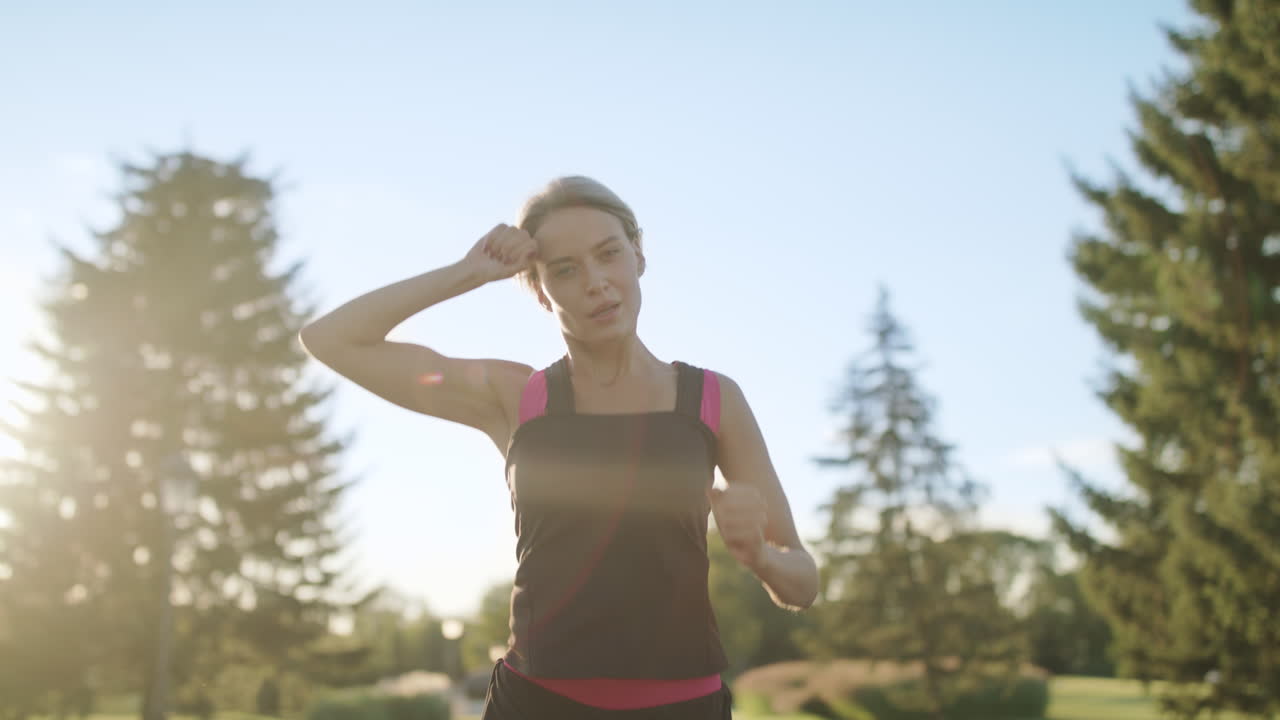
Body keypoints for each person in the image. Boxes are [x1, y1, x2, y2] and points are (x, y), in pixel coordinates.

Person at [299, 176, 818, 718]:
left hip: (682, 707)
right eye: (565, 270)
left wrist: (760, 557)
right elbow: (330, 339)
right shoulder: (517, 398)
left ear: (638, 256)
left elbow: (802, 582)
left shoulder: (712, 399)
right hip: (535, 703)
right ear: (540, 290)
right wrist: (467, 273)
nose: (596, 283)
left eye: (608, 255)